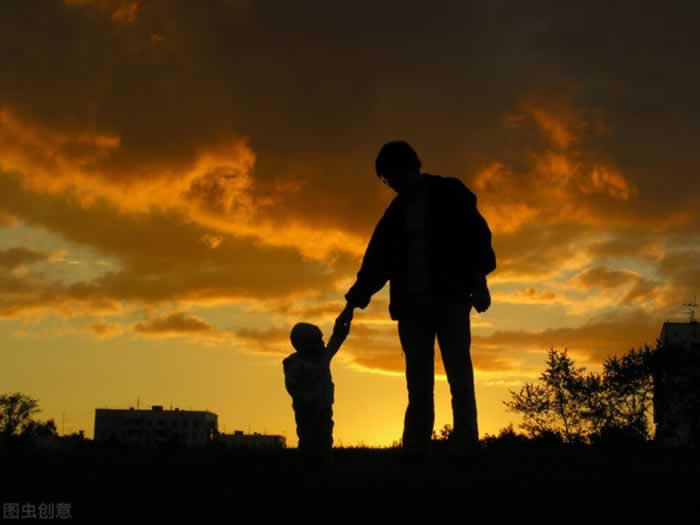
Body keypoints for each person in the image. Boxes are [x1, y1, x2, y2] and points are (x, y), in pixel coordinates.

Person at [338, 141, 496, 454]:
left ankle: (465, 446)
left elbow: (476, 238)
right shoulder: (395, 213)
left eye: (390, 176)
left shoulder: (451, 193)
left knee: (459, 378)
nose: (390, 184)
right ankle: (416, 449)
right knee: (419, 385)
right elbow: (377, 262)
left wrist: (478, 282)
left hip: (450, 301)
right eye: (385, 180)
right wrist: (353, 301)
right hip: (413, 310)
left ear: (407, 167)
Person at [283, 315, 351, 462]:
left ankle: (323, 467)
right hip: (306, 412)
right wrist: (306, 400)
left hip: (323, 410)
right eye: (318, 340)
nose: (322, 343)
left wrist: (342, 328)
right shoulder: (294, 364)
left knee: (325, 441)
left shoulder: (322, 357)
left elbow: (335, 341)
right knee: (308, 442)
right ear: (306, 344)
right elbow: (292, 387)